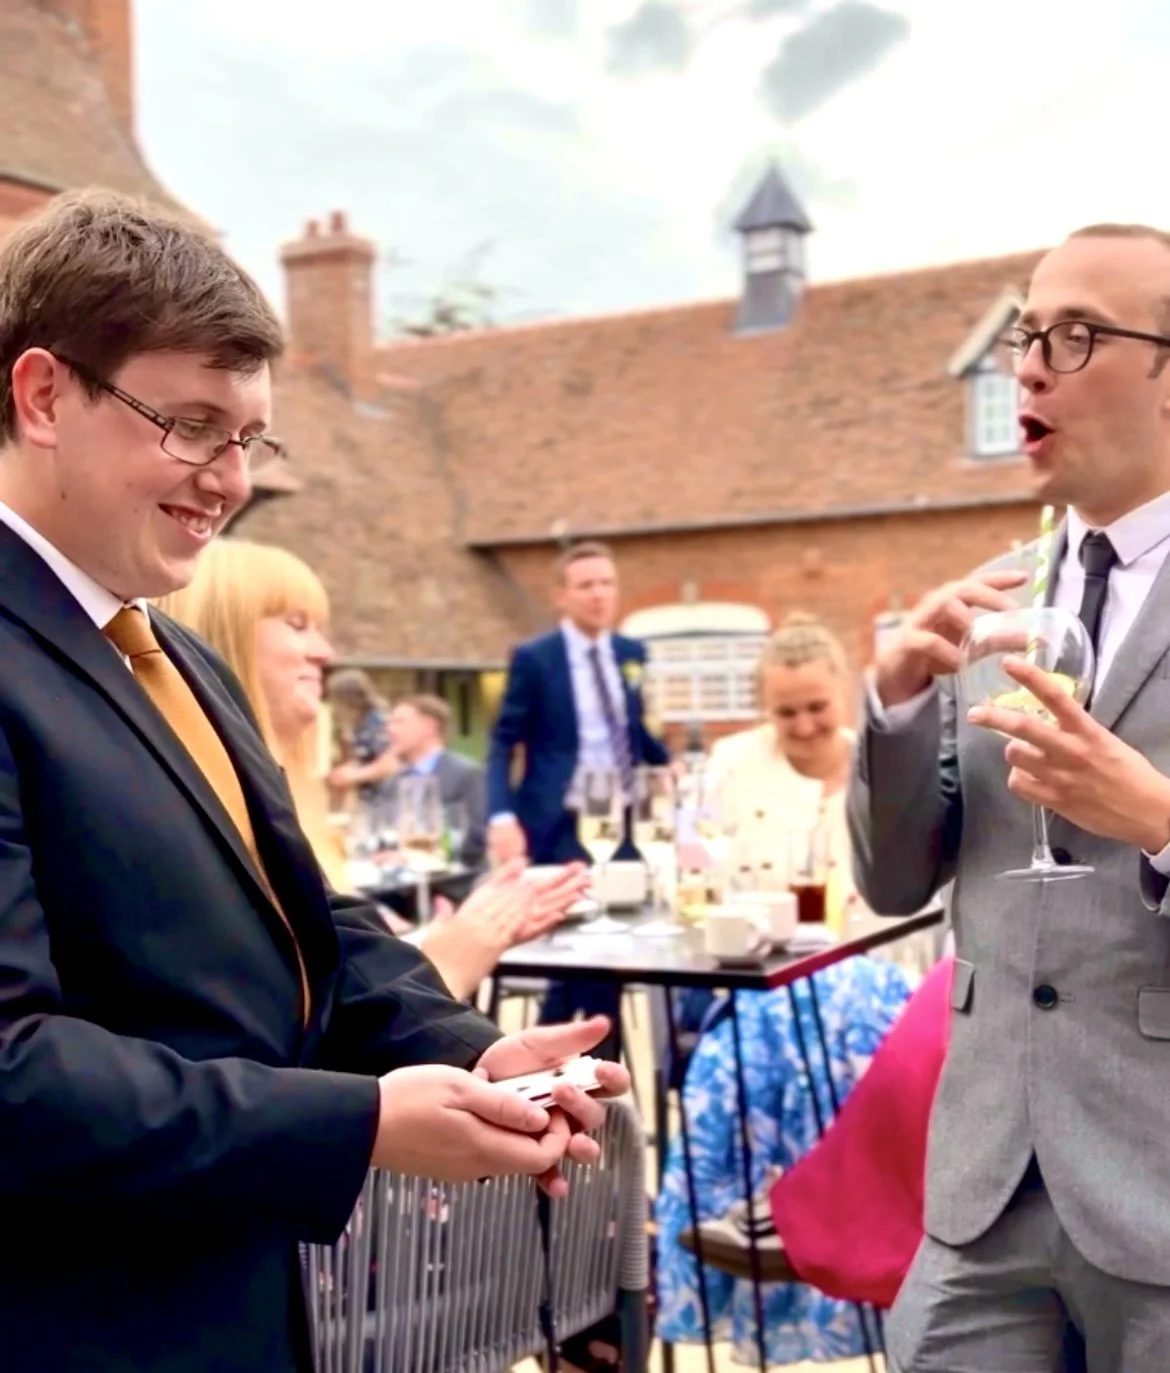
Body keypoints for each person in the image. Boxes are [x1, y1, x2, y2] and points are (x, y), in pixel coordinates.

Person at [0, 189, 626, 1373]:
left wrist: (461, 1046)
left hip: (223, 1297)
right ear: (42, 395)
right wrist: (364, 1122)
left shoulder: (167, 646)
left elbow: (298, 914)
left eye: (250, 437)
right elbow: (13, 1067)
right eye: (189, 425)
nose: (228, 480)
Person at [848, 222, 1170, 1372]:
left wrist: (1161, 820)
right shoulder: (1000, 597)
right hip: (981, 1190)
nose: (1029, 364)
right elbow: (893, 878)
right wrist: (892, 706)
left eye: (1078, 335)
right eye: (1031, 333)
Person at [157, 537, 585, 1000]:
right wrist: (450, 961)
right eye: (298, 626)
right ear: (219, 639)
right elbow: (295, 1034)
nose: (325, 651)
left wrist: (450, 938)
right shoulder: (199, 836)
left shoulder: (285, 810)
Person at [486, 540, 669, 1043]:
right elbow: (503, 740)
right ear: (562, 595)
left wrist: (668, 767)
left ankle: (576, 1058)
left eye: (607, 583)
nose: (599, 594)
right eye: (586, 585)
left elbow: (636, 732)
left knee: (615, 948)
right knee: (576, 952)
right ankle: (570, 1055)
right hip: (560, 822)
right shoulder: (535, 658)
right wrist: (501, 816)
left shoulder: (631, 654)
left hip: (626, 823)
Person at [384, 693, 487, 869]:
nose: (390, 730)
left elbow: (476, 838)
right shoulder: (395, 782)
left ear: (429, 726)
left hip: (453, 885)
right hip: (400, 887)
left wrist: (417, 857)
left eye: (399, 722)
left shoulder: (466, 774)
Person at [326, 666, 398, 802]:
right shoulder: (360, 724)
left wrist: (354, 775)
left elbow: (390, 763)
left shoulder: (377, 722)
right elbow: (367, 760)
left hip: (386, 802)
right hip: (371, 801)